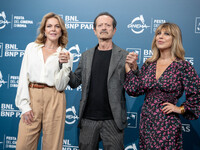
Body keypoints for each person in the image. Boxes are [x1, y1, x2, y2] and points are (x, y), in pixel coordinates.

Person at [59, 12, 135, 150]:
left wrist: (134, 68)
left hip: (113, 120)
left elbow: (134, 87)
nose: (104, 28)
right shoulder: (86, 56)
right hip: (88, 119)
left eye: (107, 25)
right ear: (94, 30)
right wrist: (64, 66)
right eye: (100, 25)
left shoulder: (124, 56)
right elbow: (75, 82)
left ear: (114, 29)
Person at [124, 22, 200, 149]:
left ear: (174, 39)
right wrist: (129, 68)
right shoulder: (149, 64)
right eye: (158, 33)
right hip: (147, 122)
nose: (160, 37)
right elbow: (135, 90)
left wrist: (179, 109)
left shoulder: (183, 66)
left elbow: (196, 94)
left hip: (167, 124)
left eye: (166, 34)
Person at [15, 12, 73, 150]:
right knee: (23, 145)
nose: (53, 29)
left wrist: (62, 65)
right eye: (49, 26)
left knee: (52, 146)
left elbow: (60, 85)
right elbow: (23, 77)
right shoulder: (31, 48)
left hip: (55, 98)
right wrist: (24, 106)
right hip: (33, 95)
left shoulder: (66, 54)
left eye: (57, 26)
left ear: (61, 31)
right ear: (44, 30)